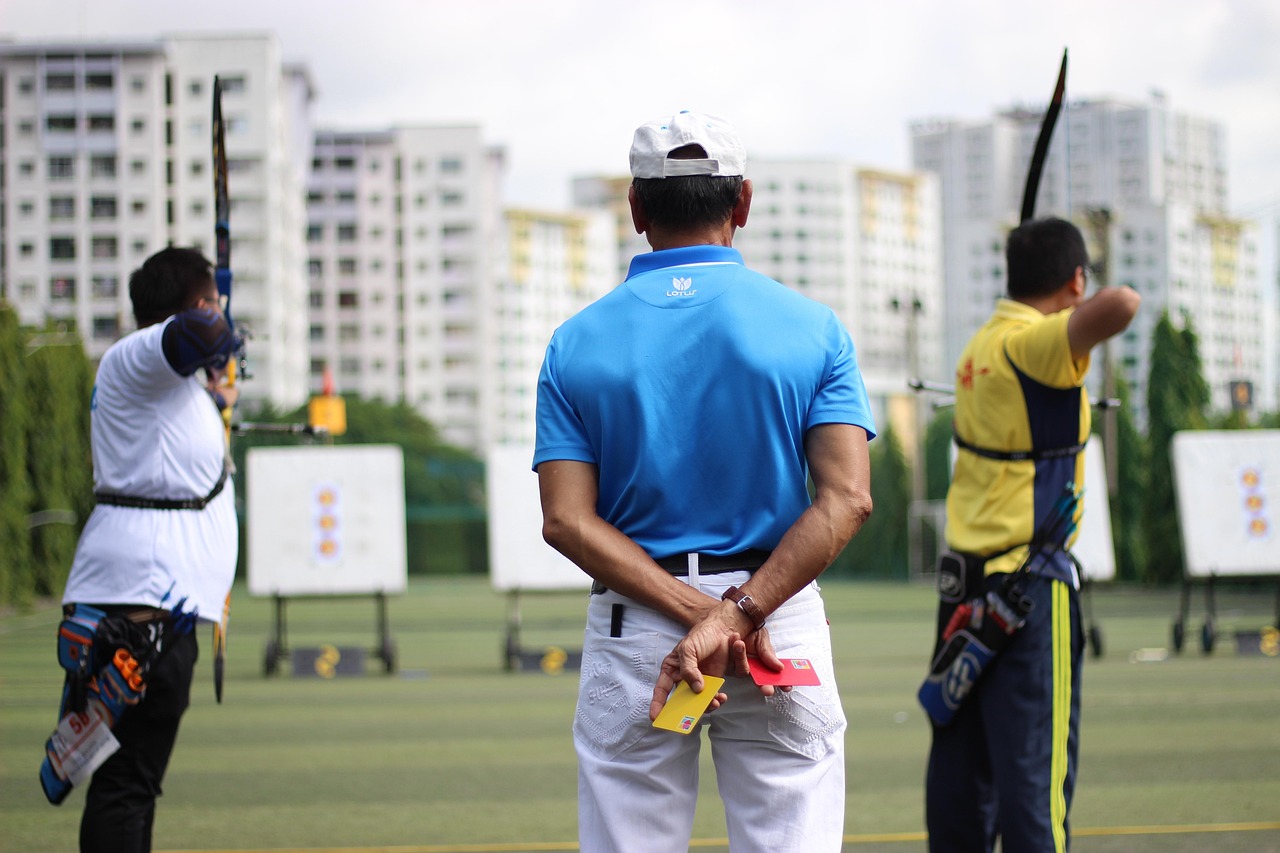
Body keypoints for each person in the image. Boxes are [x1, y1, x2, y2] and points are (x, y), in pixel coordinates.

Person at [534, 110, 875, 853]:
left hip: (637, 630)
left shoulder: (574, 343)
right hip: (775, 625)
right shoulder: (814, 328)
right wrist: (733, 615)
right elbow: (848, 498)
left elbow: (565, 519)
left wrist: (698, 615)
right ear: (742, 203)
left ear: (635, 209)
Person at [924, 218, 1140, 852]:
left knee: (959, 782)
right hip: (1026, 598)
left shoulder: (980, 347)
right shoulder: (1033, 344)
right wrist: (1078, 304)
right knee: (1033, 788)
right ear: (1074, 280)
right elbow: (1123, 302)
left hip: (962, 595)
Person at [58, 247, 239, 853]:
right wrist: (221, 330)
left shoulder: (165, 382)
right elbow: (204, 331)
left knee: (131, 782)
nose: (215, 309)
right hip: (140, 608)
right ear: (191, 302)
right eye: (209, 297)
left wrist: (216, 394)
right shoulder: (135, 355)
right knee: (126, 784)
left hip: (157, 604)